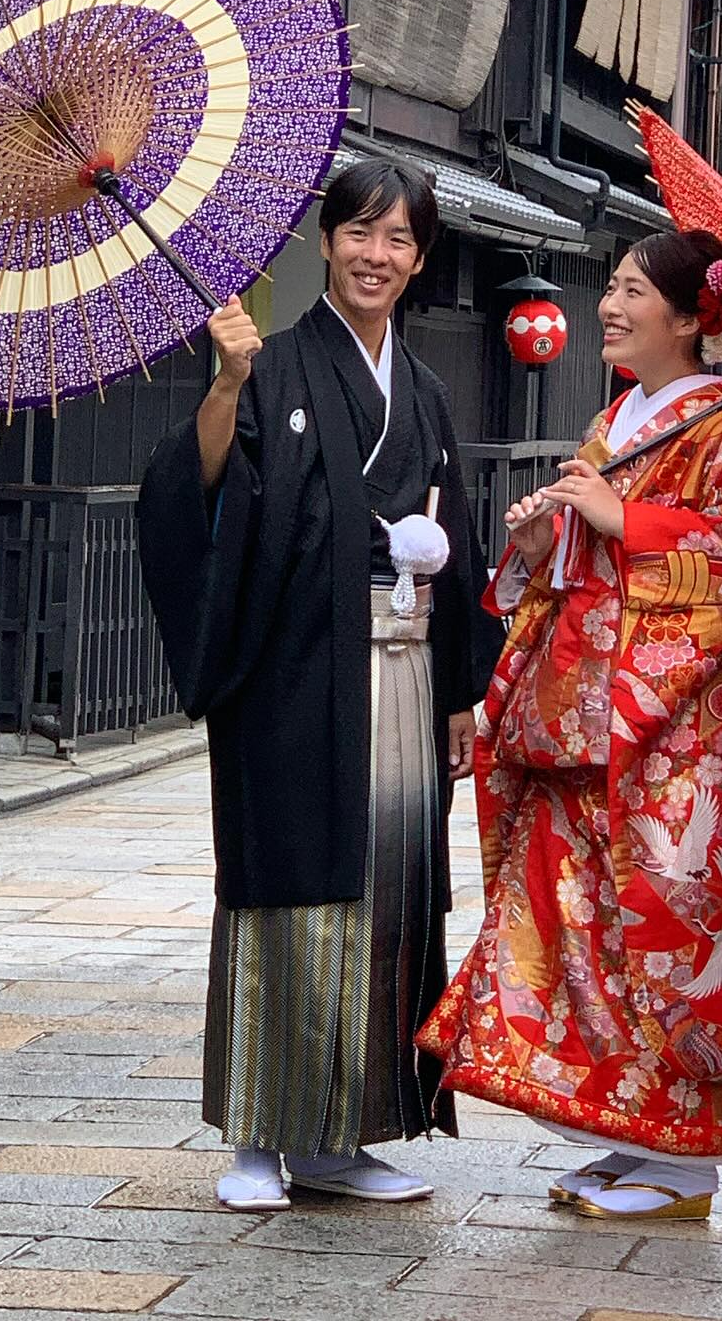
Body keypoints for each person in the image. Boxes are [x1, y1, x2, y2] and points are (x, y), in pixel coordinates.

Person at [418, 228, 722, 1222]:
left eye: (633, 290)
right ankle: (627, 1131)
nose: (608, 304)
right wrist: (545, 542)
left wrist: (623, 522)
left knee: (667, 935)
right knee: (579, 926)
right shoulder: (620, 419)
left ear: (689, 318)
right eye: (611, 285)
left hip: (670, 737)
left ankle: (686, 1160)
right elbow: (582, 566)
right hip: (579, 725)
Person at [138, 162, 499, 1213]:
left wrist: (460, 691)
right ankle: (259, 1134)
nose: (376, 256)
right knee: (288, 886)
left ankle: (347, 1135)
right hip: (293, 676)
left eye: (398, 240)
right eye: (359, 233)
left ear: (420, 260)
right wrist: (225, 385)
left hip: (404, 675)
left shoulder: (425, 391)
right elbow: (194, 495)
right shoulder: (275, 366)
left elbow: (459, 547)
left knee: (389, 892)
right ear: (327, 241)